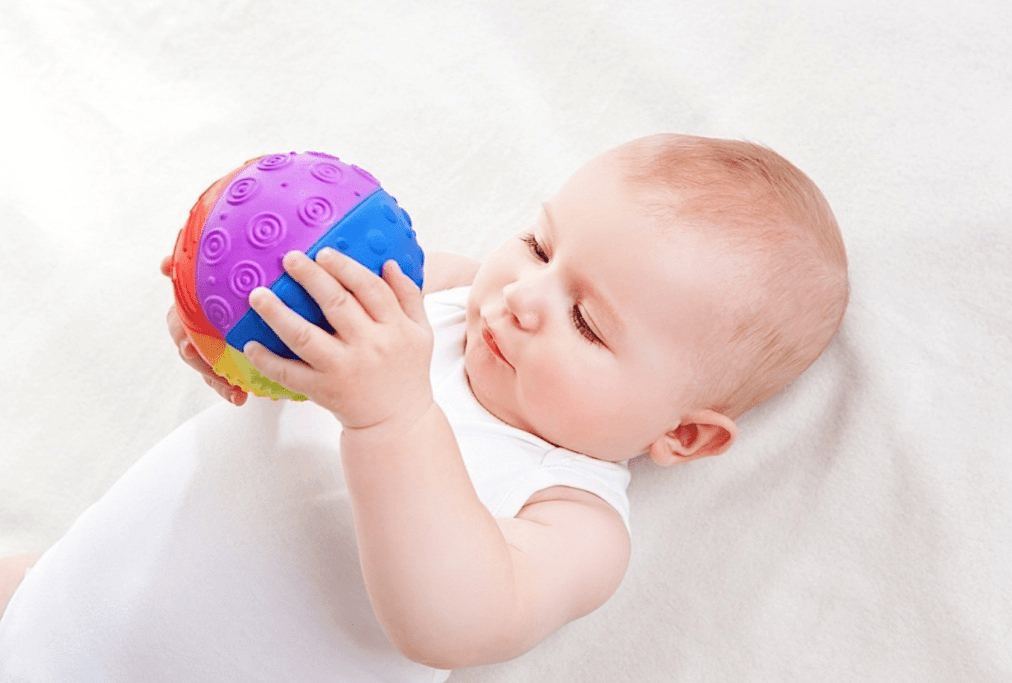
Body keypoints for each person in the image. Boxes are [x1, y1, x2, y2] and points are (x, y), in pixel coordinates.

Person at [0, 134, 848, 681]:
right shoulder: (432, 293)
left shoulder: (574, 519)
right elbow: (283, 357)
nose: (522, 296)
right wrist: (224, 336)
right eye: (540, 245)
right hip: (63, 591)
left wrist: (395, 420)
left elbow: (452, 623)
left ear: (683, 433)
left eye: (588, 321)